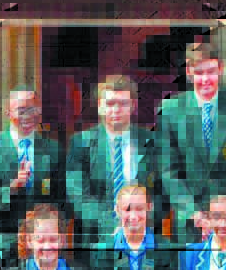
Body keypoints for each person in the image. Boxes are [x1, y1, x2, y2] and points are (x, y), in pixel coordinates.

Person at [157, 40, 226, 244]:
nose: (205, 79)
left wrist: (222, 214)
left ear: (221, 68)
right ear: (189, 72)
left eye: (211, 71)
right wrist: (196, 214)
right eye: (199, 72)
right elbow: (168, 171)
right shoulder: (171, 110)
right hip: (190, 223)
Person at [0, 84, 67, 264]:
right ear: (8, 112)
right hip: (0, 247)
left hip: (42, 247)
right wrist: (10, 189)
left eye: (32, 109)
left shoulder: (54, 150)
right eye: (21, 110)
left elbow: (63, 200)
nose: (27, 115)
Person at [65, 74, 162, 249]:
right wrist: (113, 224)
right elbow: (77, 194)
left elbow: (163, 191)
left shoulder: (152, 142)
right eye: (110, 103)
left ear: (133, 105)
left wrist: (141, 221)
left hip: (144, 237)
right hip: (96, 238)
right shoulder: (80, 143)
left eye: (123, 103)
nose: (116, 109)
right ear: (100, 106)